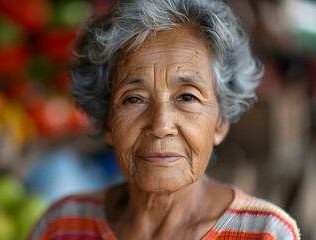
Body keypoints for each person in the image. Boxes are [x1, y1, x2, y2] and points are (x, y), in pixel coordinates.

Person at [30, 0, 300, 239]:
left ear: (221, 122)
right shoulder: (61, 226)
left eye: (187, 97)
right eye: (134, 98)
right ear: (107, 122)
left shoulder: (265, 233)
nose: (161, 126)